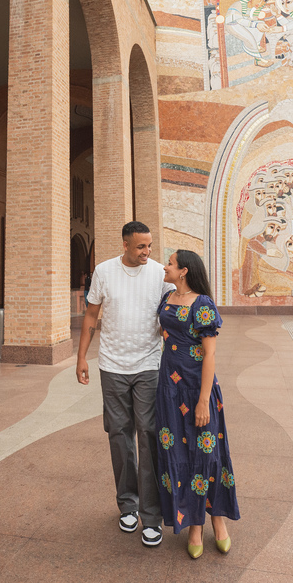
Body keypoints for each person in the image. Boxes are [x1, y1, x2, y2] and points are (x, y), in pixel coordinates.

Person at [77, 221, 175, 547]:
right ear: (125, 244)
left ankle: (151, 514)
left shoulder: (159, 273)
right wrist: (82, 358)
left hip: (148, 366)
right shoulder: (104, 271)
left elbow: (175, 309)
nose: (147, 252)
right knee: (119, 435)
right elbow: (91, 316)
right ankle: (128, 504)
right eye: (140, 247)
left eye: (149, 245)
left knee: (148, 434)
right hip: (112, 366)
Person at [155, 249, 239, 557]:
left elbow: (210, 355)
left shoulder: (203, 304)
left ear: (185, 271)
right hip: (169, 389)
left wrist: (204, 400)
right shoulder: (166, 299)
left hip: (196, 389)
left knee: (208, 455)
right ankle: (193, 523)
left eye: (171, 263)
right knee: (176, 452)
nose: (166, 267)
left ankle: (216, 521)